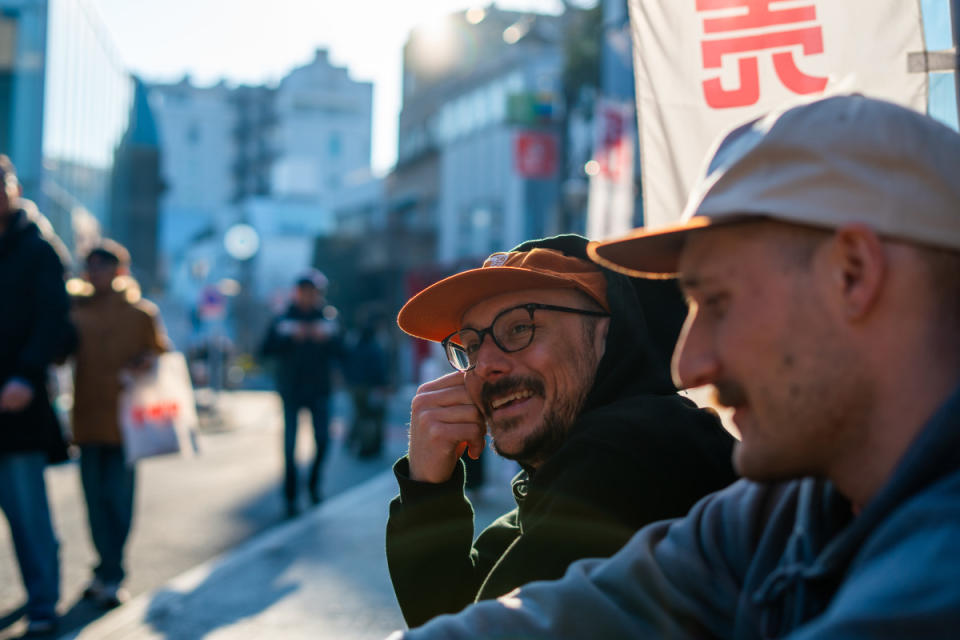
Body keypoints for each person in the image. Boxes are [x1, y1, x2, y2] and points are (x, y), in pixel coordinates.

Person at [390, 95, 960, 639]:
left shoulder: (929, 578)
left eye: (718, 303)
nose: (689, 365)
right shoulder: (784, 508)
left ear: (853, 274)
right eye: (469, 345)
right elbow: (567, 613)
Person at [387, 234, 738, 628]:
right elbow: (458, 617)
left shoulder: (629, 452)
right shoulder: (567, 470)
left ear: (608, 332)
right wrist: (428, 488)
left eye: (519, 328)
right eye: (470, 347)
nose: (485, 364)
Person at [69, 240, 167, 609]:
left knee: (119, 500)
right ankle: (104, 568)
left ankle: (113, 572)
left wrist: (144, 360)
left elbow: (162, 355)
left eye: (103, 266)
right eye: (90, 266)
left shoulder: (141, 314)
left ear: (119, 271)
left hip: (128, 424)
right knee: (94, 501)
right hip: (88, 420)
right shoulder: (76, 311)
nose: (95, 273)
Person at [0, 155, 73, 635]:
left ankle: (43, 601)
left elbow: (56, 325)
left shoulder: (39, 248)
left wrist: (27, 376)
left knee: (27, 512)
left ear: (12, 188)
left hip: (17, 404)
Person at [260, 269, 343, 517]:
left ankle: (314, 485)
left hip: (320, 389)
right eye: (304, 292)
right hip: (291, 390)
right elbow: (264, 350)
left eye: (313, 292)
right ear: (296, 293)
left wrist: (325, 339)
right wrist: (289, 338)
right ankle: (290, 497)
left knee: (323, 441)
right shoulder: (282, 318)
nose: (308, 297)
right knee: (289, 446)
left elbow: (343, 351)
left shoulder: (329, 318)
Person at [344, 323, 390, 458]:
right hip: (372, 388)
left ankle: (357, 442)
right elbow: (379, 369)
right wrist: (384, 385)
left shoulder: (355, 348)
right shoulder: (375, 348)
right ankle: (371, 446)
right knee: (375, 416)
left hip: (356, 387)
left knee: (361, 416)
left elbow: (347, 366)